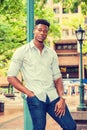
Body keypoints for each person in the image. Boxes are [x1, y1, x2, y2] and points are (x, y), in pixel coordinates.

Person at [7, 19, 76, 130]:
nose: (42, 33)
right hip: (36, 98)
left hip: (53, 97)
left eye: (45, 31)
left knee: (70, 126)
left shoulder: (51, 53)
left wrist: (62, 98)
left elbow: (57, 77)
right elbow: (11, 77)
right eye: (39, 30)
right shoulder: (22, 51)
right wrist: (29, 94)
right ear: (34, 30)